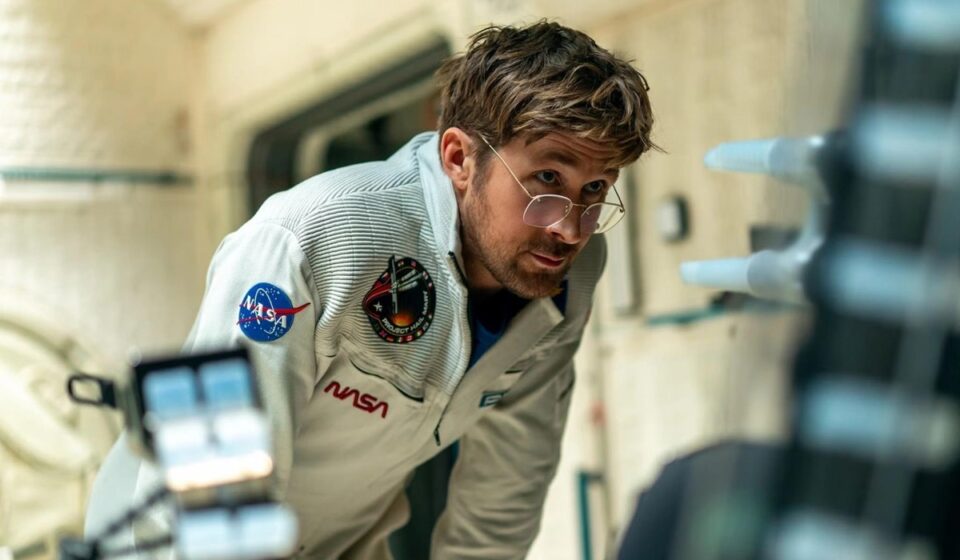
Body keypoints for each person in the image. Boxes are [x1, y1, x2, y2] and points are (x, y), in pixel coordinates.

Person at [87, 20, 657, 559]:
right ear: (459, 157)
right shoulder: (314, 238)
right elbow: (215, 491)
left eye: (595, 188)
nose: (570, 228)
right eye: (547, 179)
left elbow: (506, 488)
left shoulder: (568, 277)